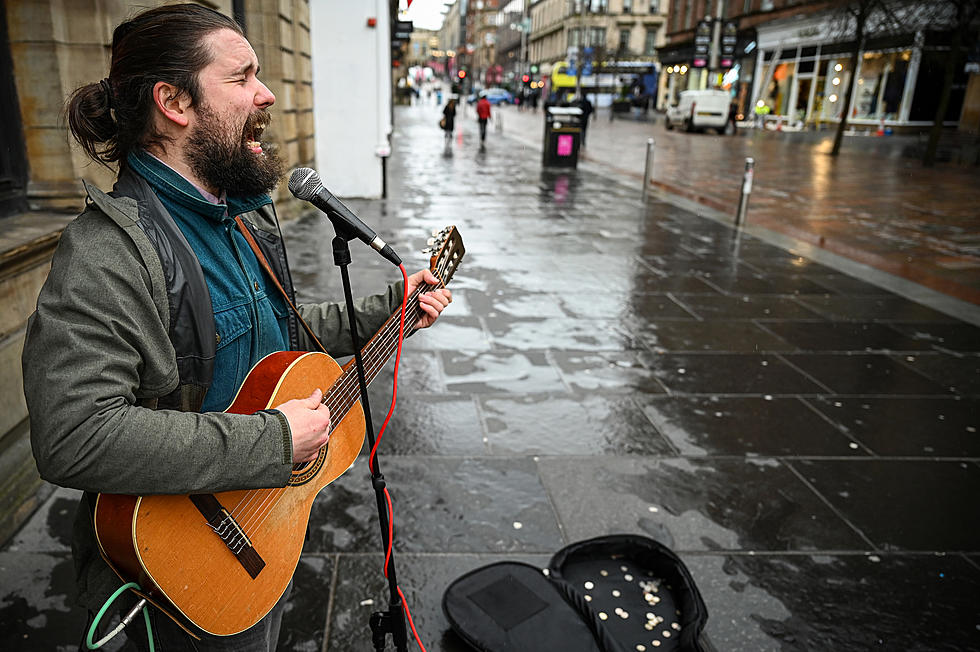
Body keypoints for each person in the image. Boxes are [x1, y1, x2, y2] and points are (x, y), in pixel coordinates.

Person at [20, 5, 451, 651]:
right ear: (173, 101)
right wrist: (274, 442)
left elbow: (288, 337)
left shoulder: (245, 217)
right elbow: (73, 435)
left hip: (262, 532)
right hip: (178, 572)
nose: (266, 94)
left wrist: (395, 310)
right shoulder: (108, 253)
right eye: (242, 76)